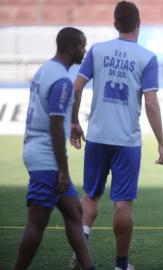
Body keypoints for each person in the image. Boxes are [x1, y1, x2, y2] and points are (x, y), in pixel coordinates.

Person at [69, 1, 163, 270]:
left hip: (98, 136)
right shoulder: (147, 57)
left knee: (90, 196)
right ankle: (121, 265)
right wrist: (161, 143)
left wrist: (74, 122)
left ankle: (82, 244)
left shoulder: (97, 50)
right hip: (127, 141)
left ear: (115, 24)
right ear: (139, 24)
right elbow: (150, 104)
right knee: (123, 203)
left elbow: (76, 88)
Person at [13, 27, 95, 270]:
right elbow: (55, 125)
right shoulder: (62, 80)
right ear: (71, 48)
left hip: (37, 149)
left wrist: (72, 123)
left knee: (74, 211)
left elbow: (55, 115)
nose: (84, 50)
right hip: (45, 157)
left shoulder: (46, 69)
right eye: (82, 45)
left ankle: (88, 267)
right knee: (37, 222)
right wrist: (63, 169)